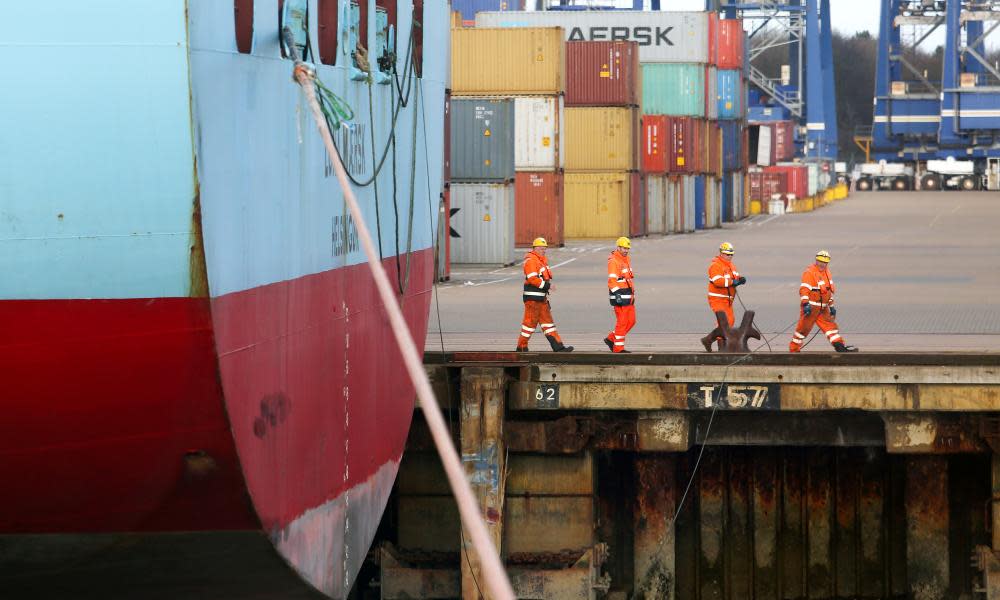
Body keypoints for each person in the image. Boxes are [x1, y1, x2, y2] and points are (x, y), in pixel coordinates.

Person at [789, 250, 859, 353]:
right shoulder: (809, 273)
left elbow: (828, 291)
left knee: (831, 327)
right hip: (812, 307)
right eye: (821, 261)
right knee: (803, 330)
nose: (823, 264)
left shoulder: (827, 272)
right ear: (816, 260)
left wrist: (831, 306)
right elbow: (804, 289)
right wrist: (805, 303)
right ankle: (794, 350)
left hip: (823, 308)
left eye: (825, 262)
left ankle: (840, 347)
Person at [515, 237, 573, 352]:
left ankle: (558, 346)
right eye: (541, 248)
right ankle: (521, 347)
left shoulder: (540, 260)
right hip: (533, 299)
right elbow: (532, 279)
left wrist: (546, 289)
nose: (543, 250)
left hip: (541, 298)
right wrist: (548, 286)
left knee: (548, 323)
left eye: (544, 248)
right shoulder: (531, 260)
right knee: (529, 324)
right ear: (534, 248)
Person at [702, 241, 746, 351]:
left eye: (731, 254)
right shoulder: (715, 266)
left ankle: (708, 340)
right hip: (717, 298)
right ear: (721, 253)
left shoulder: (731, 266)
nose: (729, 256)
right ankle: (721, 348)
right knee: (724, 323)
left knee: (730, 321)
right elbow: (718, 281)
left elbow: (734, 277)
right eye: (727, 254)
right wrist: (732, 282)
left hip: (728, 300)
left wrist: (740, 279)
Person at [604, 237, 636, 353]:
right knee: (622, 323)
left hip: (628, 296)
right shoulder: (614, 261)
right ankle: (618, 349)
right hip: (620, 297)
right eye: (624, 248)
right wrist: (617, 294)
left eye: (627, 248)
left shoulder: (626, 259)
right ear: (618, 247)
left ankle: (611, 338)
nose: (626, 250)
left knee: (631, 321)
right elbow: (611, 280)